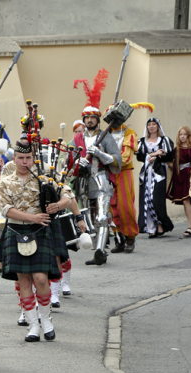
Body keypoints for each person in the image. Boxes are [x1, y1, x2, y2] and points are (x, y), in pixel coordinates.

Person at [0, 140, 71, 341]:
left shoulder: (44, 178)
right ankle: (32, 326)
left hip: (40, 232)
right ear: (14, 159)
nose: (24, 162)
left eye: (28, 158)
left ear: (33, 158)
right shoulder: (5, 181)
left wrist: (58, 205)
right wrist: (33, 217)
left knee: (40, 278)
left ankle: (46, 320)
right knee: (24, 280)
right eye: (20, 158)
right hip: (17, 230)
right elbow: (5, 210)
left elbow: (67, 195)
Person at [73, 106, 122, 265]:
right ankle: (96, 251)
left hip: (101, 178)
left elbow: (117, 161)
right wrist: (78, 161)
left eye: (93, 117)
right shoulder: (77, 138)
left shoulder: (105, 137)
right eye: (87, 117)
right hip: (84, 181)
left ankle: (101, 250)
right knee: (88, 219)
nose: (89, 120)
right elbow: (68, 160)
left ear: (98, 119)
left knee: (101, 217)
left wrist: (100, 153)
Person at [136, 118, 174, 238]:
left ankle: (161, 224)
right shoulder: (142, 141)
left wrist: (158, 157)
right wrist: (154, 154)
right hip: (146, 172)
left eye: (154, 124)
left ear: (158, 126)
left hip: (159, 173)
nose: (151, 127)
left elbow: (169, 156)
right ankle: (151, 227)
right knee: (146, 199)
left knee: (156, 198)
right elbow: (139, 156)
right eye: (149, 125)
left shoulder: (164, 140)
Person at [107, 117, 139, 253]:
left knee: (124, 206)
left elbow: (126, 157)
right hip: (108, 172)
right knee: (111, 207)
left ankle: (130, 237)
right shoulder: (105, 134)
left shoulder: (129, 132)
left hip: (123, 171)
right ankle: (119, 238)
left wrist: (106, 159)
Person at [167, 126, 191, 237]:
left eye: (184, 134)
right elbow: (173, 163)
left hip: (189, 176)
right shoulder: (177, 149)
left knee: (187, 201)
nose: (182, 136)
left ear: (188, 135)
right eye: (180, 134)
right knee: (184, 202)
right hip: (180, 176)